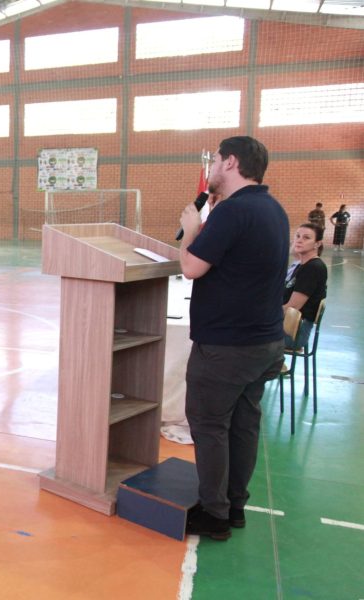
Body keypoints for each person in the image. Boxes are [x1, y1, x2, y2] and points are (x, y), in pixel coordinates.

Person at [178, 136, 288, 541]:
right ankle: (234, 506)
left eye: (216, 161)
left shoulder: (232, 212)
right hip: (264, 343)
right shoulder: (272, 209)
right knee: (243, 424)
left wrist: (191, 230)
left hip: (226, 347)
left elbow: (191, 267)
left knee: (209, 426)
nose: (211, 169)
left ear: (231, 162)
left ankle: (214, 515)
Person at [284, 224, 327, 349]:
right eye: (297, 236)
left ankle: (275, 364)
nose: (299, 240)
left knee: (241, 330)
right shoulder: (302, 264)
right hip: (288, 326)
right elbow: (294, 251)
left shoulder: (313, 268)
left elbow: (293, 307)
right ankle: (276, 363)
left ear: (317, 244)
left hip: (294, 333)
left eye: (306, 237)